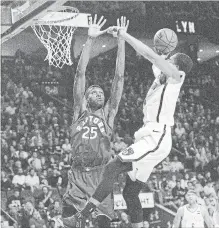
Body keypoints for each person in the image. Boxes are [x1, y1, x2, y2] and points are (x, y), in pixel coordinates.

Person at [63, 20, 193, 228]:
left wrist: (125, 36)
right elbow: (152, 56)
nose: (166, 59)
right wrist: (131, 41)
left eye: (170, 58)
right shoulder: (161, 76)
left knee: (113, 166)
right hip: (150, 136)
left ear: (175, 65)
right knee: (130, 192)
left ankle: (84, 214)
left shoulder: (177, 76)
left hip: (157, 137)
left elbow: (151, 56)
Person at [62, 15, 128, 227]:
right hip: (78, 173)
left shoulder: (108, 113)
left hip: (101, 175)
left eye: (101, 92)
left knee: (103, 224)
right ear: (85, 98)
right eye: (94, 92)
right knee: (69, 222)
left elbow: (119, 78)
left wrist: (121, 41)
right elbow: (80, 73)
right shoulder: (79, 112)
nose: (99, 94)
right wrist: (89, 40)